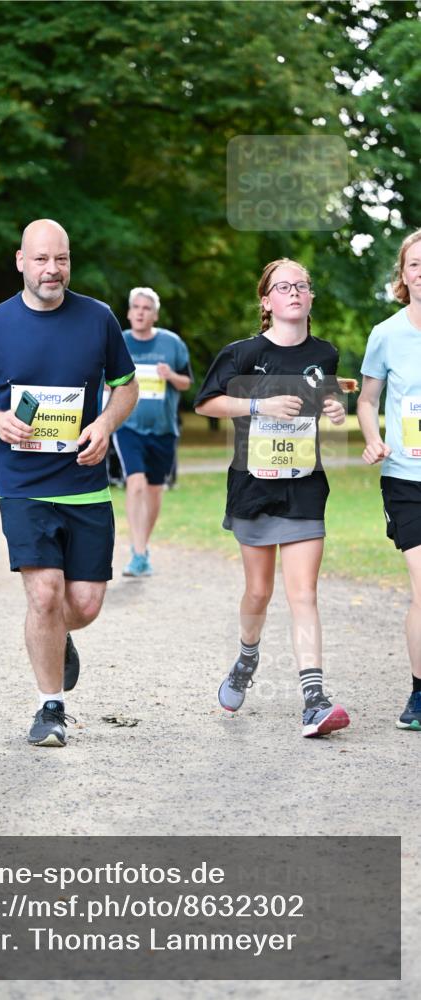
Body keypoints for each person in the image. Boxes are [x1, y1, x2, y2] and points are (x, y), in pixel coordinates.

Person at [0, 218, 137, 748]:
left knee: (86, 604)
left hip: (85, 485)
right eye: (42, 259)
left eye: (62, 259)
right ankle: (51, 708)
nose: (53, 269)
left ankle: (55, 635)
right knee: (45, 593)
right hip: (23, 484)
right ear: (21, 261)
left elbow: (126, 386)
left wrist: (104, 424)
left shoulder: (97, 319)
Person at [194, 258, 350, 738]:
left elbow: (327, 399)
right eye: (284, 286)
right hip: (254, 486)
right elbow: (206, 403)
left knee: (303, 593)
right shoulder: (241, 353)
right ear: (266, 301)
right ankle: (246, 657)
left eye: (302, 285)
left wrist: (335, 406)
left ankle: (313, 700)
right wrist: (258, 404)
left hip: (304, 485)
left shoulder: (324, 353)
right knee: (259, 593)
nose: (295, 292)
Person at [357, 228, 421, 732]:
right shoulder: (386, 334)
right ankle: (419, 694)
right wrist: (372, 438)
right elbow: (366, 400)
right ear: (403, 275)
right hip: (406, 478)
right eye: (415, 264)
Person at [113, 287, 193, 576]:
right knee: (134, 484)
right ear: (129, 311)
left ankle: (142, 548)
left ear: (155, 314)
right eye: (136, 307)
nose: (140, 312)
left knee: (154, 490)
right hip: (127, 426)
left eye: (146, 308)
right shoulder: (118, 342)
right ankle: (138, 552)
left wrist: (170, 376)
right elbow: (106, 382)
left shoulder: (172, 343)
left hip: (163, 429)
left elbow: (187, 382)